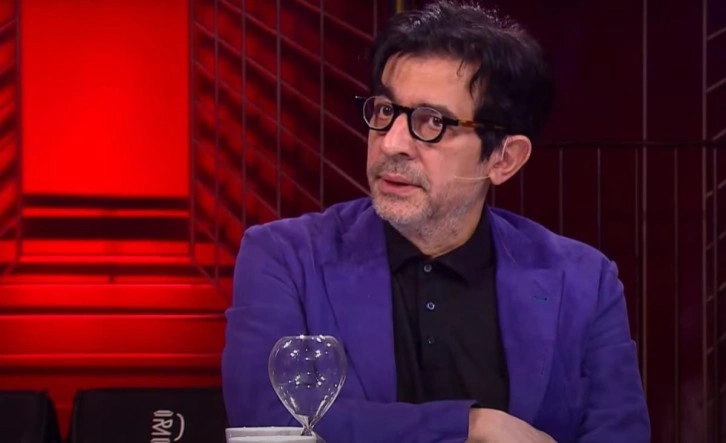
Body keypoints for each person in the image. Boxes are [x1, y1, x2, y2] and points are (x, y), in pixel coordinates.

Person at [221, 1, 650, 442]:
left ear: (504, 159)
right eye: (385, 110)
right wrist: (473, 426)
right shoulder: (286, 258)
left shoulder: (584, 282)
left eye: (431, 122)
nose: (392, 143)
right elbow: (265, 419)